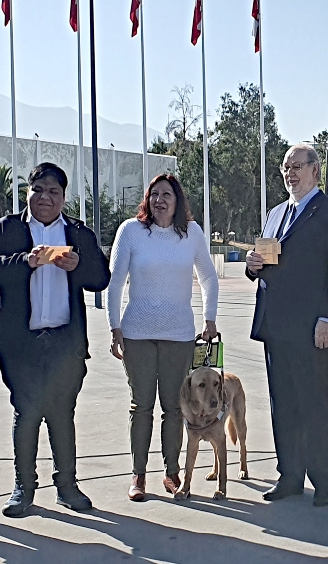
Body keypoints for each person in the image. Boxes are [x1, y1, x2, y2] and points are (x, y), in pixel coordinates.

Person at [0, 162, 110, 517]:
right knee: (28, 411)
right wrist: (25, 261)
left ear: (64, 197)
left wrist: (78, 266)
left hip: (65, 341)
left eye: (54, 192)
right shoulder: (6, 228)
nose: (45, 198)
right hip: (21, 343)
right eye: (38, 190)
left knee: (62, 413)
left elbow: (101, 278)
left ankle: (67, 485)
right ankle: (24, 487)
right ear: (28, 193)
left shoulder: (79, 233)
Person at [245, 143, 328, 507]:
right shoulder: (276, 213)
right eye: (285, 167)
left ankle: (323, 480)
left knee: (316, 401)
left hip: (313, 326)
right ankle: (289, 474)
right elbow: (267, 260)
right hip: (276, 323)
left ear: (314, 170)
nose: (290, 173)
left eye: (297, 166)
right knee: (284, 403)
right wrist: (252, 265)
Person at [106, 174, 219, 501]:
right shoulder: (131, 231)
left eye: (166, 194)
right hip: (137, 334)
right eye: (154, 194)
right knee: (141, 405)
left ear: (177, 200)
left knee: (174, 406)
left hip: (179, 335)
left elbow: (208, 278)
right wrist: (114, 327)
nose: (160, 200)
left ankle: (172, 473)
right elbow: (116, 283)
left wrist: (210, 318)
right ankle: (138, 475)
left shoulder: (192, 233)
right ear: (147, 199)